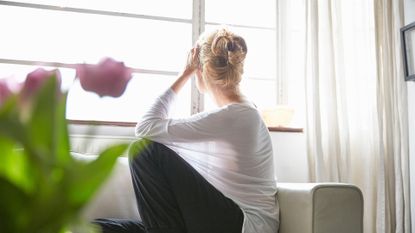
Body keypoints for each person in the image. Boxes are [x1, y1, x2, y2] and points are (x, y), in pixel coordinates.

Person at [94, 27, 279, 233]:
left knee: (144, 150)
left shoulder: (234, 116)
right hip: (224, 219)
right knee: (96, 229)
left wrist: (184, 74)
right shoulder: (240, 113)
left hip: (243, 225)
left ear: (201, 70)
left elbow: (145, 127)